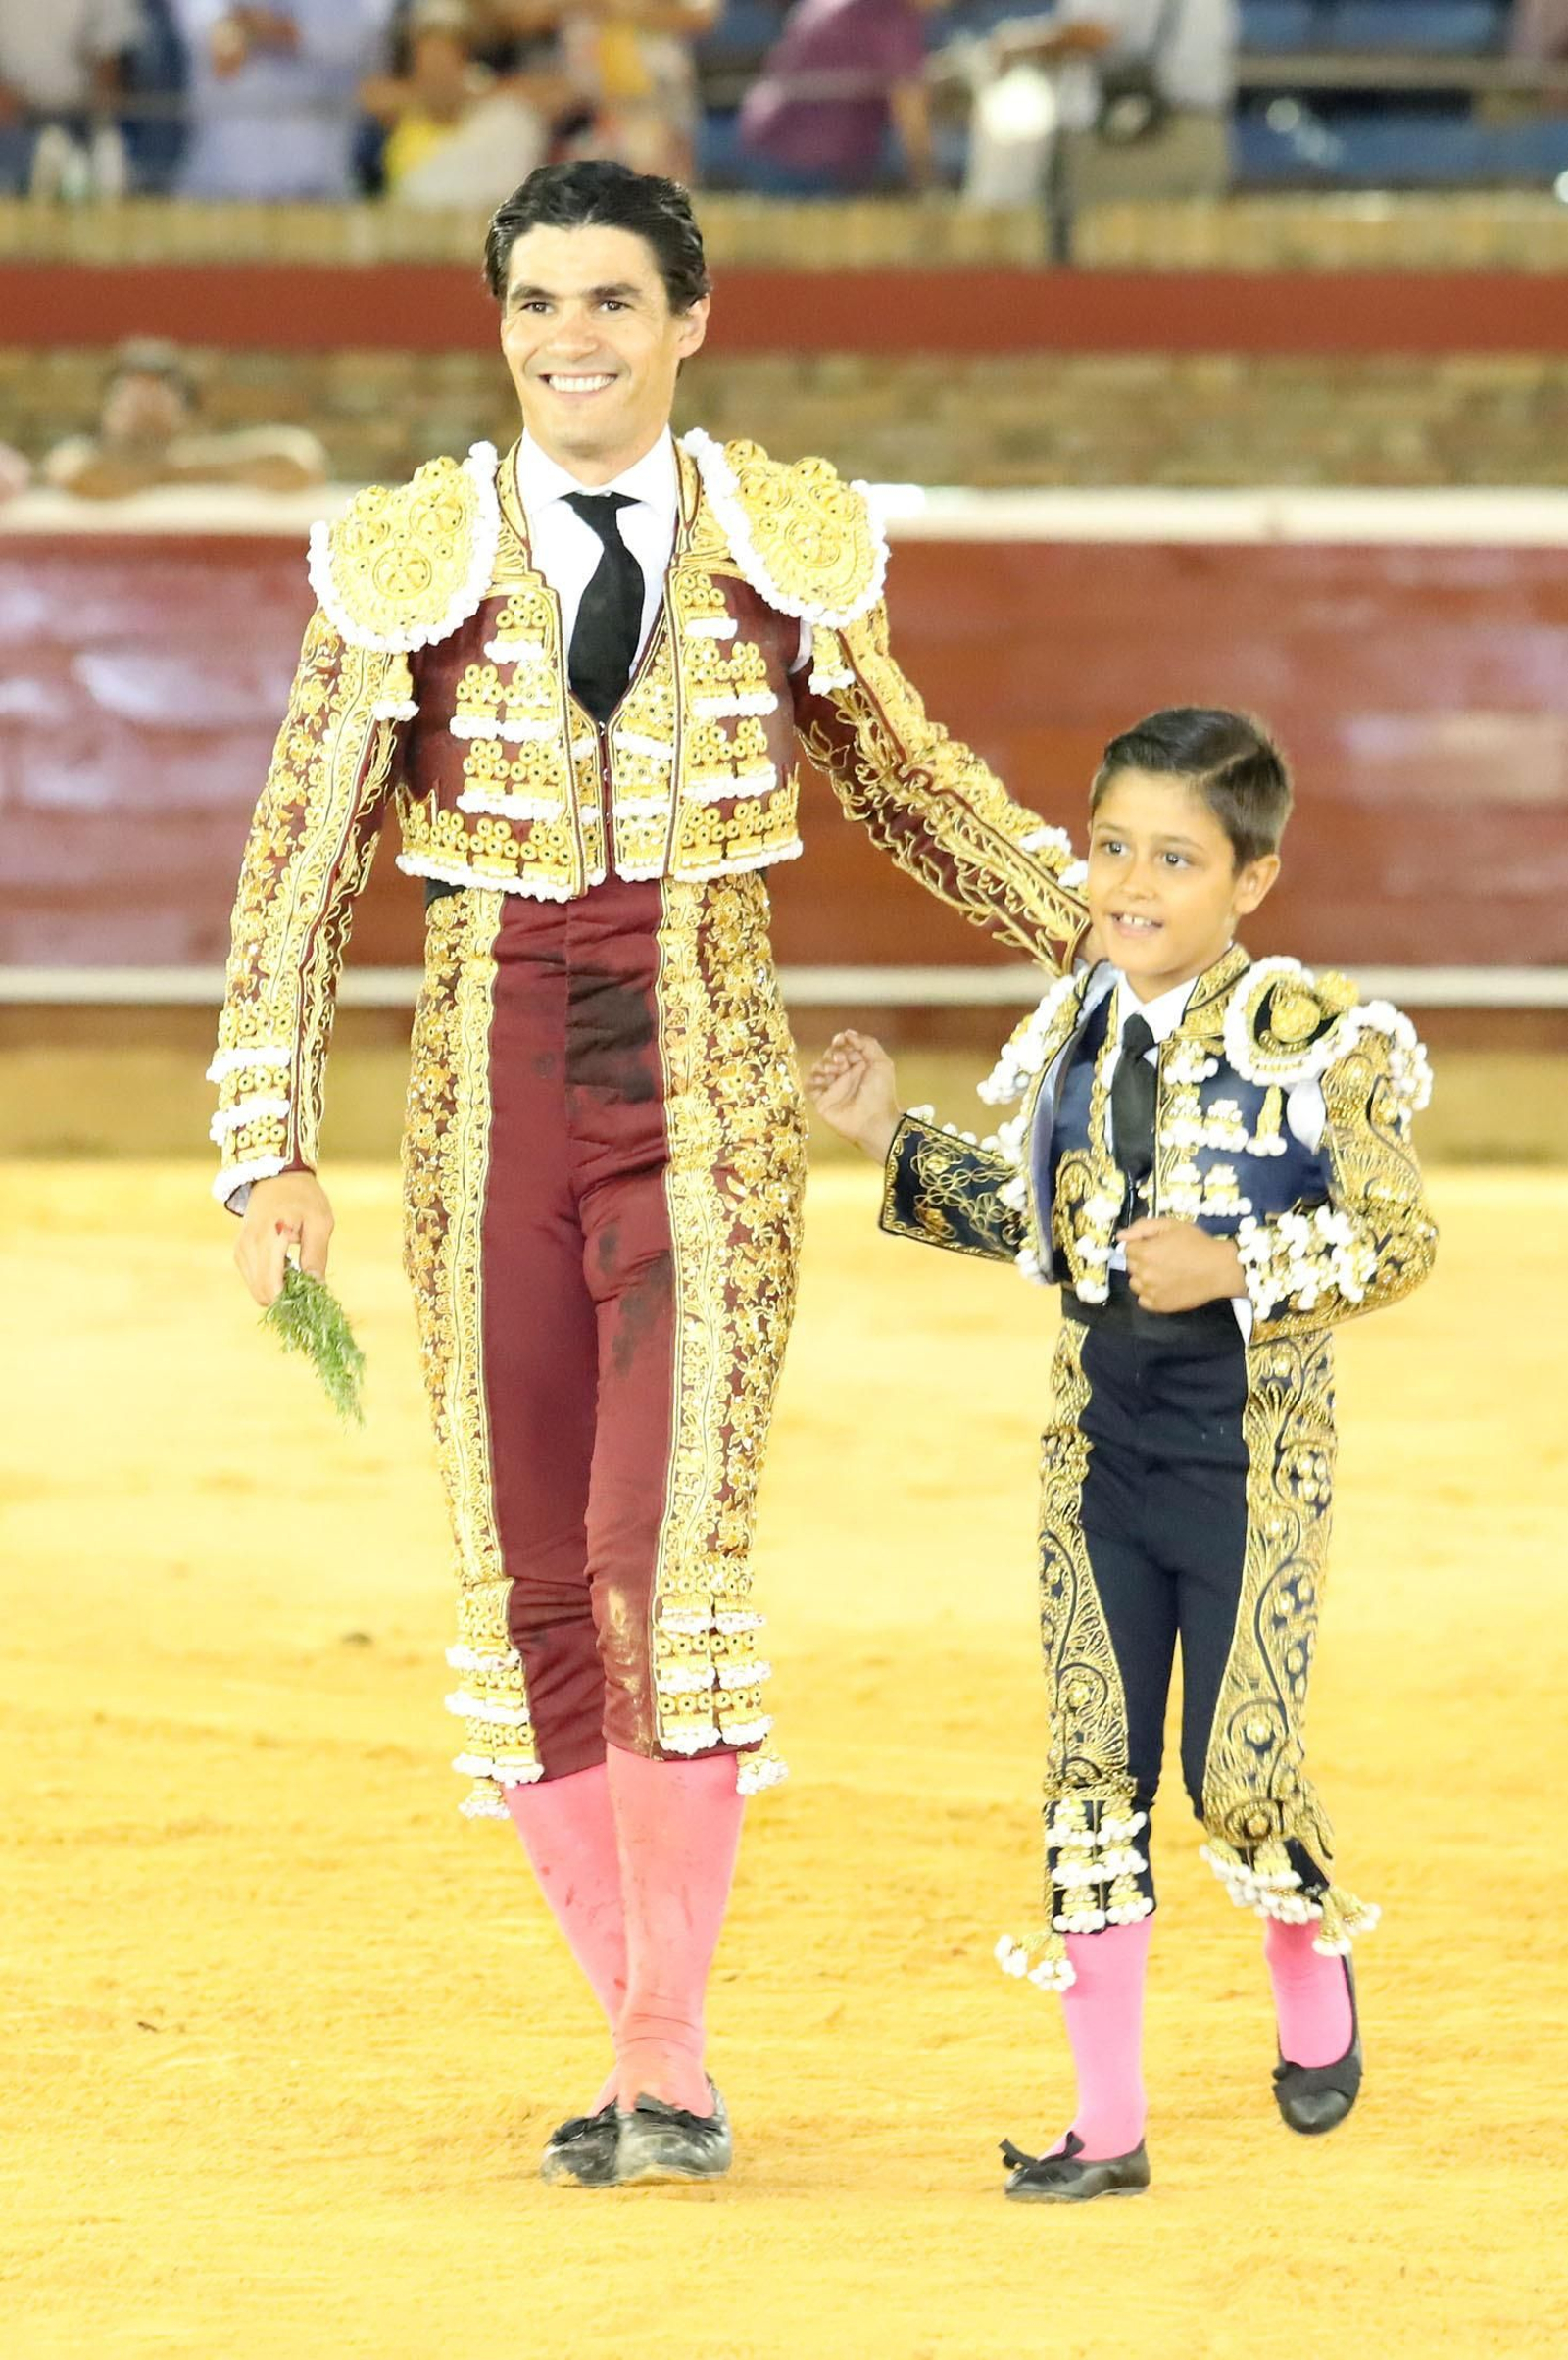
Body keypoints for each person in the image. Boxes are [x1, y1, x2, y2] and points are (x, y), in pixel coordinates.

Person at [209, 160, 1085, 2190]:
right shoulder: (411, 557)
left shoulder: (778, 541)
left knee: (654, 1560)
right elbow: (296, 864)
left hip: (707, 1090)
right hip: (485, 1098)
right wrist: (267, 1146)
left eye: (611, 299)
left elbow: (914, 784)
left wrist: (1114, 944)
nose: (571, 338)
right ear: (501, 323)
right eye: (537, 301)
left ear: (690, 320)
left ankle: (664, 2055)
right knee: (529, 1572)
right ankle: (642, 2037)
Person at [809, 707, 1437, 2201]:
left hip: (1251, 1467)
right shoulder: (1075, 1033)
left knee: (1239, 1779)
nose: (1131, 885)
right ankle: (1107, 2127)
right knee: (1090, 1778)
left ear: (1252, 881)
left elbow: (1401, 1239)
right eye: (1111, 849)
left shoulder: (1316, 1039)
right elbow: (1051, 1232)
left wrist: (1238, 1266)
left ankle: (1311, 1975)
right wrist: (891, 1137)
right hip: (1097, 1453)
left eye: (1176, 858)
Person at [168, 0, 397, 199]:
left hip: (320, 191)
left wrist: (260, 27)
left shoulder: (358, 8)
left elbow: (347, 40)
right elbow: (223, 52)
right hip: (220, 186)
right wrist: (252, 29)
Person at [44, 338, 328, 498]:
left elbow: (302, 461)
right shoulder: (79, 456)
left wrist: (181, 466)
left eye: (157, 398)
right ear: (107, 412)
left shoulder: (211, 457)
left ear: (188, 413)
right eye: (132, 399)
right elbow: (72, 474)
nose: (145, 409)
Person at [359, 0, 562, 206]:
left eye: (445, 52)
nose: (437, 62)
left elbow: (555, 93)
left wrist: (473, 95)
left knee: (515, 122)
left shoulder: (488, 88)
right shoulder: (398, 94)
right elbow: (372, 97)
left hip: (479, 190)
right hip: (415, 189)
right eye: (430, 52)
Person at [738, 0, 948, 193]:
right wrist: (929, 183)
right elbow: (909, 106)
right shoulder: (890, 14)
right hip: (813, 159)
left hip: (769, 139)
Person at [0, 0, 142, 196]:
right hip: (10, 121)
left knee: (103, 164)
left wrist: (102, 121)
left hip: (76, 119)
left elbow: (110, 53)